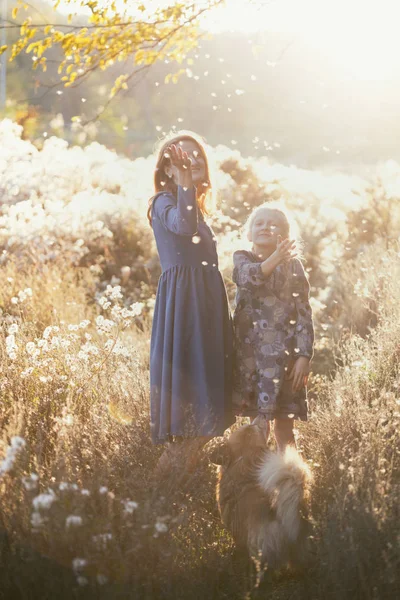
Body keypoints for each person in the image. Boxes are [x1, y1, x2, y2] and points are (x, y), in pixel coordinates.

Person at [148, 131, 233, 474]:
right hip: (185, 309)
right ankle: (160, 493)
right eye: (182, 158)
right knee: (189, 417)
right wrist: (185, 185)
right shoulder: (163, 203)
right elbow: (182, 227)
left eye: (197, 156)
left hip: (205, 306)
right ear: (167, 169)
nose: (192, 162)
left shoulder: (192, 204)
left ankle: (179, 487)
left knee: (206, 407)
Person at [232, 203, 314, 452]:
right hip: (251, 358)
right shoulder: (242, 258)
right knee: (256, 425)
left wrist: (304, 355)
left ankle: (288, 481)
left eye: (273, 223)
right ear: (249, 234)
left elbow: (304, 312)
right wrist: (277, 256)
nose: (265, 226)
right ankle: (254, 482)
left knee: (284, 428)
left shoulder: (294, 266)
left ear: (285, 236)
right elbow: (251, 277)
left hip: (284, 359)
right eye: (258, 223)